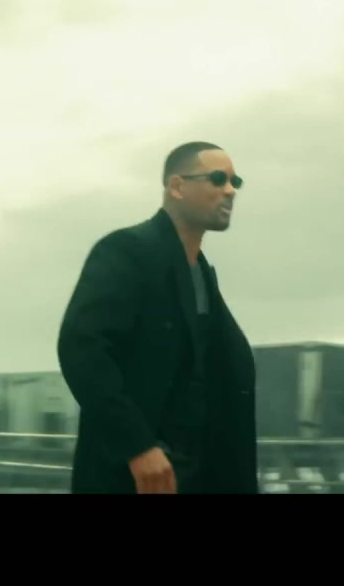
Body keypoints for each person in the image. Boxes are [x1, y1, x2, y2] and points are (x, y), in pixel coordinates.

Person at [58, 141, 258, 494]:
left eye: (234, 181)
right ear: (177, 187)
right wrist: (136, 446)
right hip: (136, 478)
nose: (230, 191)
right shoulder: (126, 251)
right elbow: (82, 350)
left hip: (195, 475)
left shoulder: (202, 275)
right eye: (217, 179)